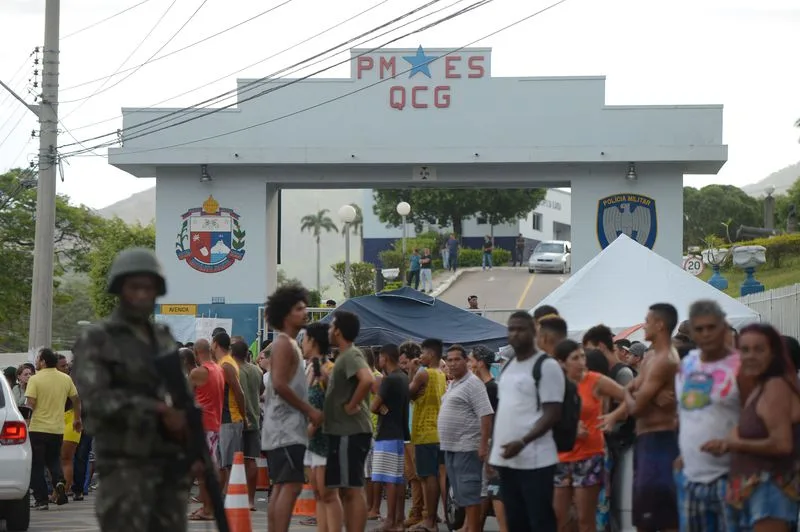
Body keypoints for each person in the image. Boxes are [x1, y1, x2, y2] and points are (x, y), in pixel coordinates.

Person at [72, 248, 193, 530]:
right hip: (124, 469)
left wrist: (192, 448)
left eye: (148, 287)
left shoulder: (162, 338)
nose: (141, 294)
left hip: (168, 467)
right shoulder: (97, 338)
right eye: (134, 287)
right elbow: (96, 399)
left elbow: (181, 399)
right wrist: (157, 410)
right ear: (120, 289)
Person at [702, 323, 800, 531]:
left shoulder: (776, 386)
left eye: (759, 349)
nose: (750, 356)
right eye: (744, 350)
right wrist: (726, 443)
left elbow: (782, 444)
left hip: (771, 489)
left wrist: (737, 444)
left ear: (774, 353)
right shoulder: (761, 386)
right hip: (756, 491)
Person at [490, 311, 564, 532]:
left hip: (535, 461)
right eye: (511, 329)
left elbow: (553, 413)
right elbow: (505, 411)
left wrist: (523, 441)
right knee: (516, 523)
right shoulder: (509, 365)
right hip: (507, 461)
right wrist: (492, 449)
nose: (515, 334)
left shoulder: (546, 365)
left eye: (521, 329)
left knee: (540, 522)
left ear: (534, 331)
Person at [672, 300, 743, 532]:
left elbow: (757, 415)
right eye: (699, 329)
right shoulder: (686, 365)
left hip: (731, 478)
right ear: (691, 332)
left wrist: (730, 441)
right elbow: (688, 412)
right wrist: (684, 453)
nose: (706, 334)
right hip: (691, 477)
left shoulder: (741, 366)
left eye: (712, 327)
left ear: (723, 327)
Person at [612, 303, 681, 532]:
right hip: (646, 441)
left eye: (648, 321)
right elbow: (632, 389)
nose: (644, 325)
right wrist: (615, 414)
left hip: (661, 441)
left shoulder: (666, 360)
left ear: (660, 325)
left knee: (664, 515)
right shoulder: (651, 355)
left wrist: (635, 398)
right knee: (644, 517)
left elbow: (637, 405)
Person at [262, 284, 322, 532]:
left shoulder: (286, 344)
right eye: (299, 308)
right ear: (286, 313)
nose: (304, 312)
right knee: (291, 486)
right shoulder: (285, 344)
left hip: (281, 427)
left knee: (283, 486)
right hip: (287, 428)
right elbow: (278, 384)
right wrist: (309, 410)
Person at [324, 310, 376, 532]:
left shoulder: (351, 355)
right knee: (346, 488)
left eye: (330, 326)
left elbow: (367, 379)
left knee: (352, 488)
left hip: (350, 431)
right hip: (341, 431)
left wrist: (352, 404)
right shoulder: (343, 357)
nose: (328, 330)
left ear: (337, 330)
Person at [439, 344, 494, 532]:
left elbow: (486, 414)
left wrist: (483, 445)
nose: (452, 364)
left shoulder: (473, 383)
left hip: (467, 446)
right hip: (452, 448)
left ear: (465, 361)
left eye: (457, 359)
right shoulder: (454, 383)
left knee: (470, 492)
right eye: (449, 360)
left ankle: (473, 528)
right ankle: (468, 527)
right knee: (461, 493)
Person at [26, 348, 81, 510]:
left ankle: (42, 500)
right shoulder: (65, 379)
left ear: (43, 361)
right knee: (53, 460)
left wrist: (26, 422)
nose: (36, 361)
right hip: (57, 429)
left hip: (37, 429)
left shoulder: (35, 380)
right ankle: (58, 481)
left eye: (38, 359)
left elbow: (30, 404)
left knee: (36, 465)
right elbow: (76, 399)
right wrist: (77, 419)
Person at [371, 343, 411, 532]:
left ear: (385, 358)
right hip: (399, 432)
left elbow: (374, 406)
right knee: (397, 478)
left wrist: (380, 407)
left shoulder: (389, 380)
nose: (378, 361)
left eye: (380, 357)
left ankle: (391, 521)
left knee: (389, 479)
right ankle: (399, 519)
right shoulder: (403, 377)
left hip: (387, 433)